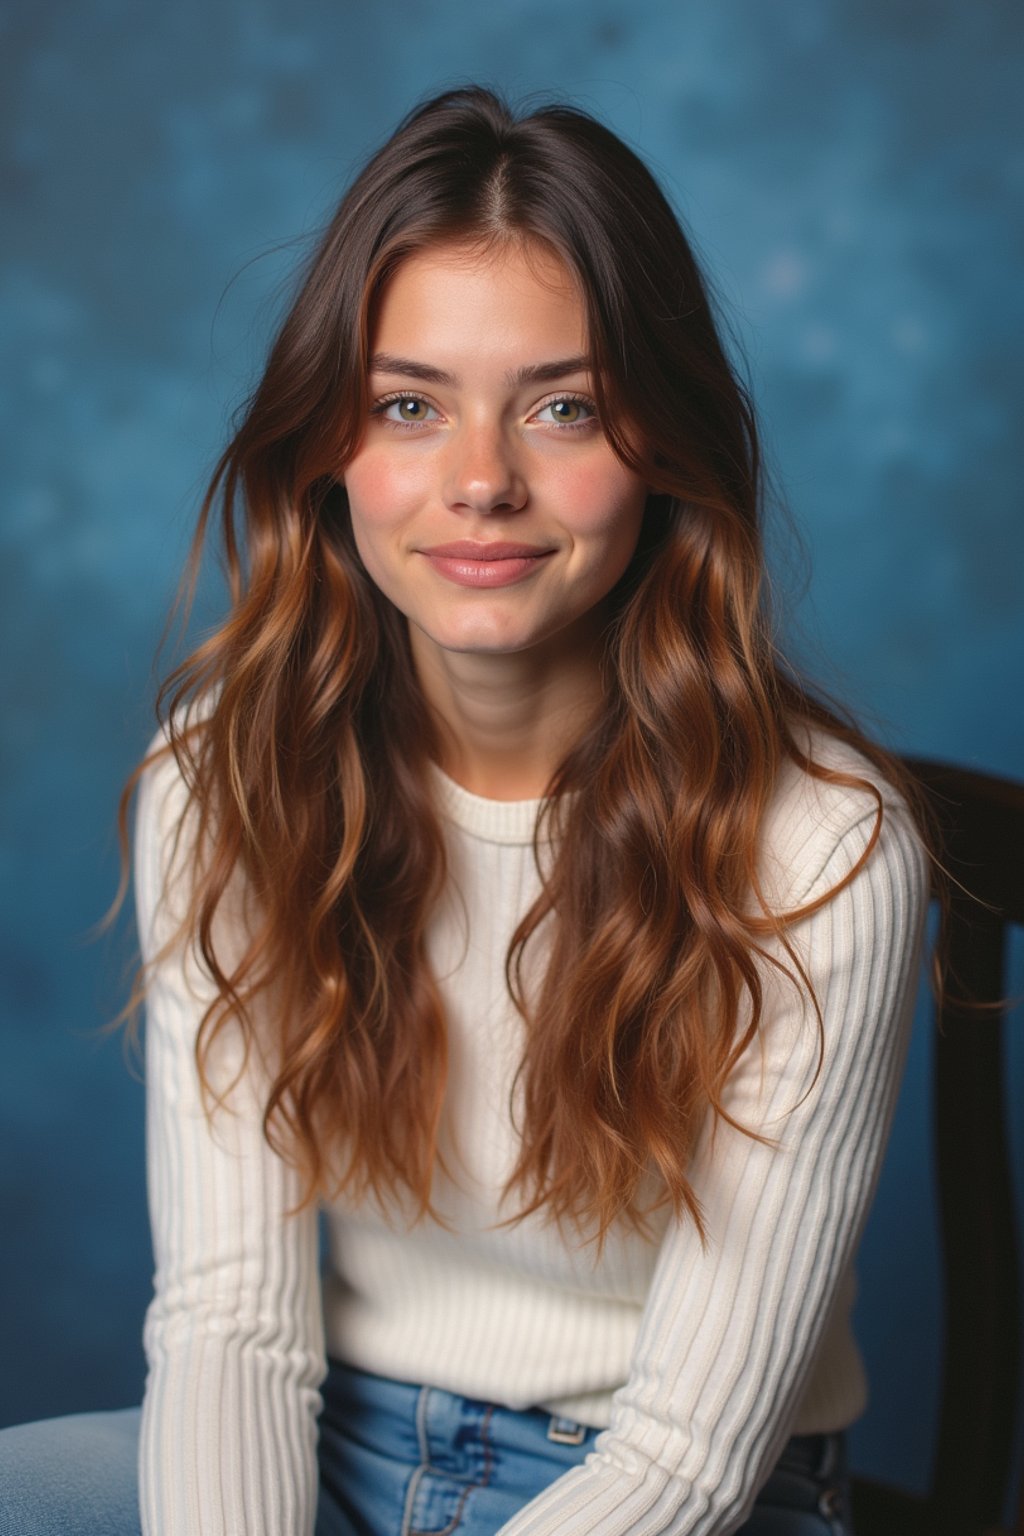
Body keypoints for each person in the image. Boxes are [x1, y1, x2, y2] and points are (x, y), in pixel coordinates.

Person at [0, 86, 929, 1536]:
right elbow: (233, 1327)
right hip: (329, 1435)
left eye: (563, 408)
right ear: (332, 449)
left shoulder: (823, 845)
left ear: (661, 448)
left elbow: (684, 1456)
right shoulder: (226, 782)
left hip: (675, 1488)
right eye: (409, 406)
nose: (482, 481)